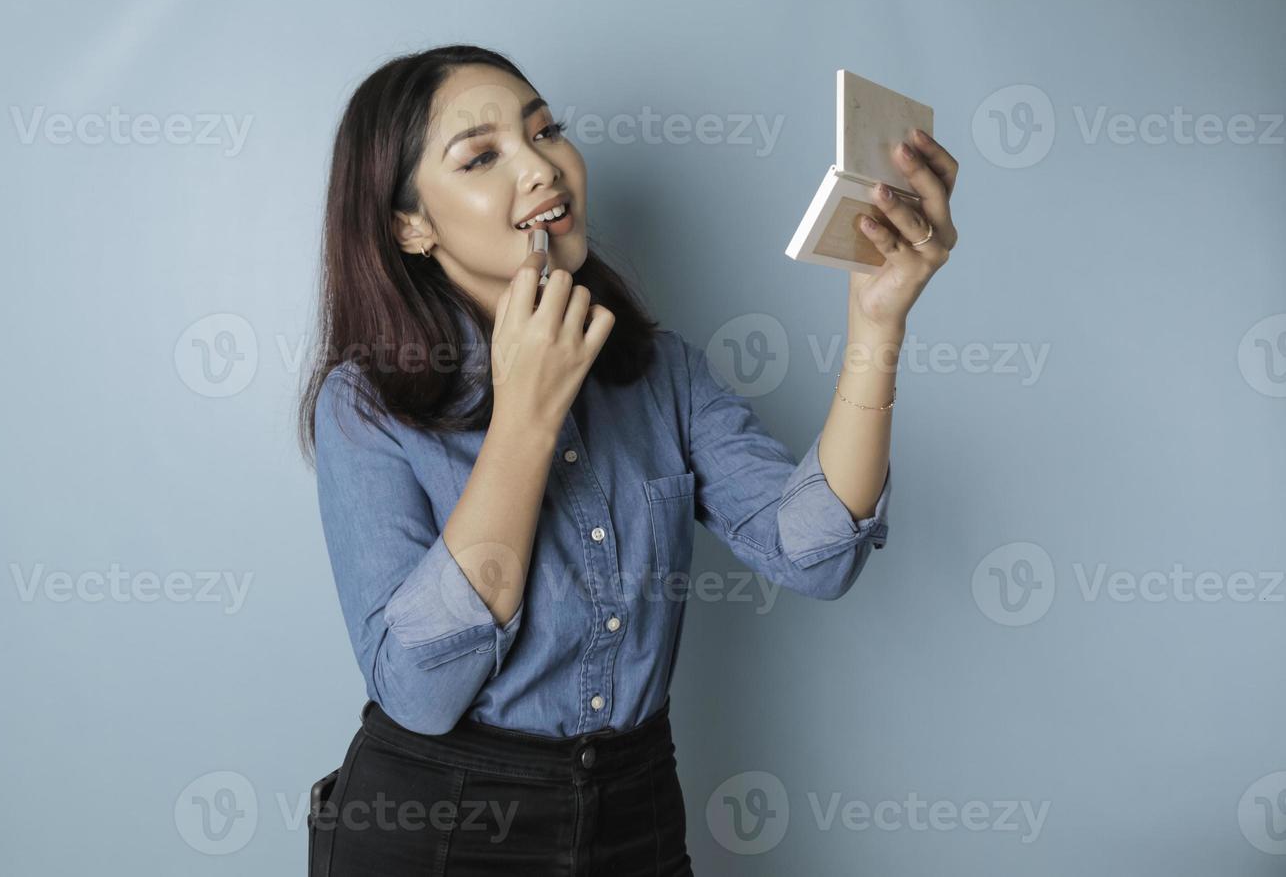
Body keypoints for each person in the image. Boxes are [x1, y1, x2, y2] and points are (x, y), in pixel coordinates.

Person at [298, 44, 958, 875]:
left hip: (635, 813)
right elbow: (422, 695)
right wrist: (524, 423)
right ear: (410, 224)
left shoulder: (662, 372)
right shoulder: (367, 406)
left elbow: (816, 553)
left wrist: (876, 323)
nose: (541, 168)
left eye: (546, 132)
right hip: (440, 827)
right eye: (482, 155)